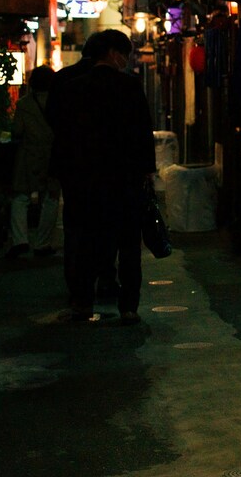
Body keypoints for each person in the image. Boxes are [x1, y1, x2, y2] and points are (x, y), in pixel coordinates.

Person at [46, 29, 155, 323]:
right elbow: (143, 133)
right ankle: (129, 306)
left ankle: (82, 302)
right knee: (129, 244)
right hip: (125, 180)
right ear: (112, 52)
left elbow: (61, 133)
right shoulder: (131, 87)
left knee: (83, 240)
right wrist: (147, 171)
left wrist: (63, 172)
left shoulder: (73, 88)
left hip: (83, 180)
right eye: (125, 53)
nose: (126, 59)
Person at [6, 66, 59, 258]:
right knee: (51, 198)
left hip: (28, 155)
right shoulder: (59, 103)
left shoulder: (24, 104)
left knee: (21, 197)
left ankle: (20, 240)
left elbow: (17, 130)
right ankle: (42, 243)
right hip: (52, 155)